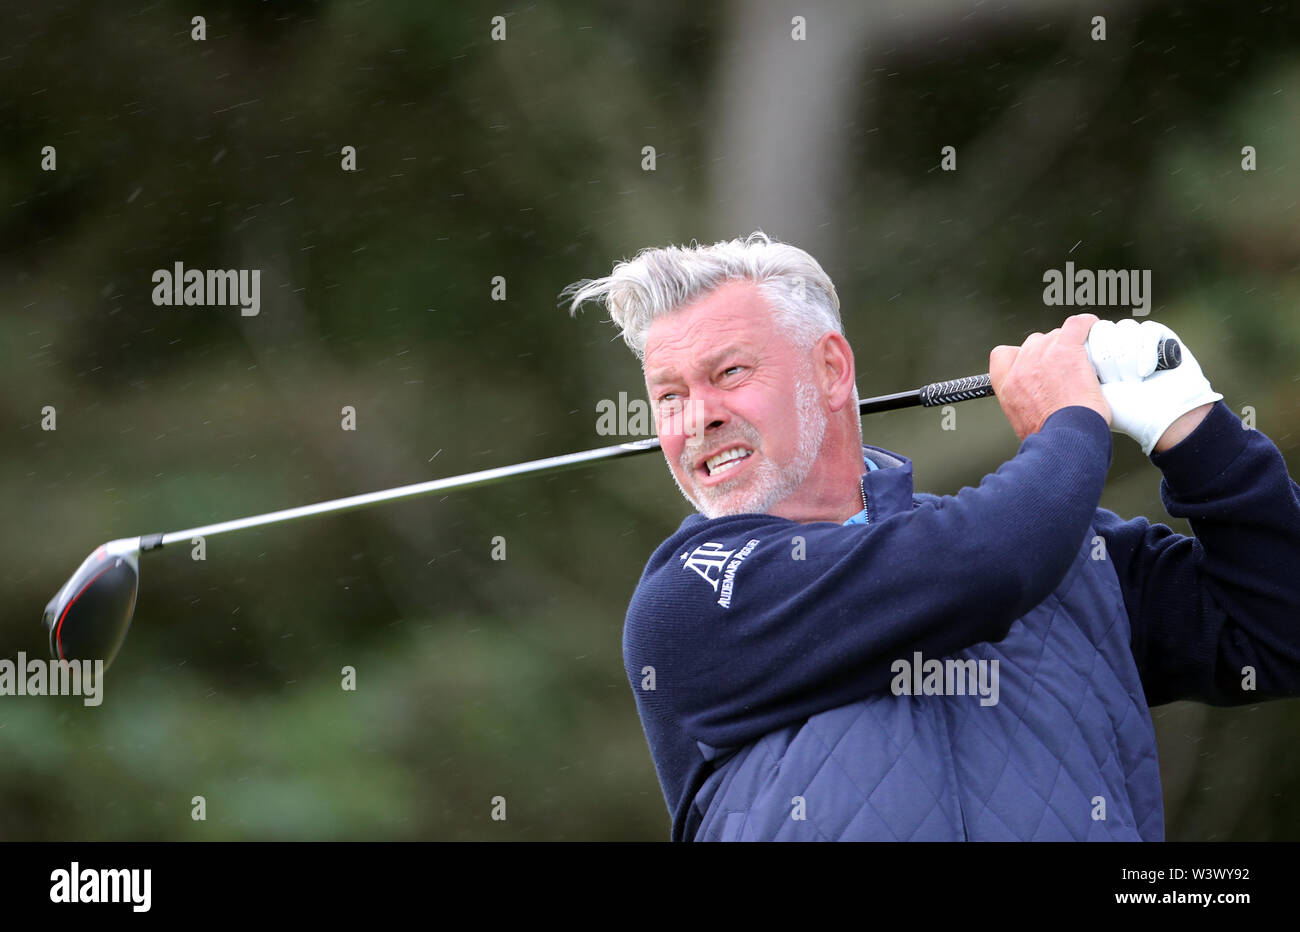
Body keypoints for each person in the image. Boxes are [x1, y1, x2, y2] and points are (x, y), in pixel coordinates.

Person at [561, 231, 1300, 841]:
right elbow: (984, 564)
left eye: (729, 372)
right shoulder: (694, 596)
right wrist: (1067, 422)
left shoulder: (1065, 555)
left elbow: (1277, 629)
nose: (700, 416)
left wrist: (1194, 428)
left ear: (829, 368)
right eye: (670, 395)